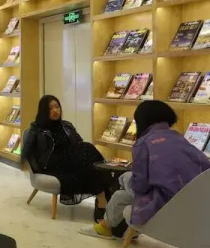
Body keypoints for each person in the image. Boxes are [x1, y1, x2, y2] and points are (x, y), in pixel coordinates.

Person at [81, 101, 210, 239]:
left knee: (125, 177)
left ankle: (116, 225)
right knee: (120, 195)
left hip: (165, 205)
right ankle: (105, 227)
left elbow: (141, 186)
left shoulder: (143, 143)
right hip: (197, 205)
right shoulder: (180, 139)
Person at [21, 95, 111, 218]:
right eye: (50, 108)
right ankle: (104, 198)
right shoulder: (36, 128)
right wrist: (34, 167)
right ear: (43, 111)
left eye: (57, 107)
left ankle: (102, 197)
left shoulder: (66, 125)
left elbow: (79, 142)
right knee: (88, 150)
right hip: (52, 162)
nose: (55, 110)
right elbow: (28, 150)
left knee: (88, 150)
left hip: (70, 159)